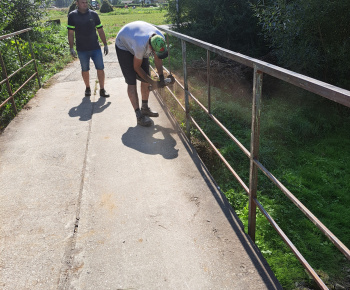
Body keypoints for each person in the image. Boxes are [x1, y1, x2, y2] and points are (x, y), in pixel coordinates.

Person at [115, 21, 168, 127]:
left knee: (145, 77)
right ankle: (139, 115)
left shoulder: (160, 39)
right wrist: (152, 82)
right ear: (151, 48)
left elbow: (158, 59)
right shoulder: (140, 45)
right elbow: (136, 67)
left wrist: (161, 77)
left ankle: (145, 108)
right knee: (131, 81)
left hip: (136, 38)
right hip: (123, 46)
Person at [67, 0, 110, 98]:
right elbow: (70, 33)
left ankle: (102, 89)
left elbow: (100, 30)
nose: (85, 4)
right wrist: (71, 48)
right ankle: (87, 88)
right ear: (77, 3)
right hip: (82, 49)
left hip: (95, 47)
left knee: (100, 68)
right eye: (82, 2)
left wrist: (105, 44)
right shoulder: (72, 16)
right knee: (85, 69)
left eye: (86, 2)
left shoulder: (93, 14)